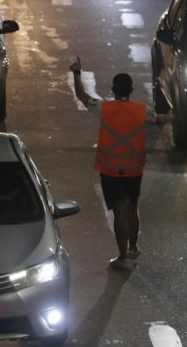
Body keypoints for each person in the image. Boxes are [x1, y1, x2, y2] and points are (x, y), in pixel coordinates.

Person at [70, 56, 164, 270]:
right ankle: (133, 247)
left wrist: (77, 73)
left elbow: (82, 95)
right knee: (132, 208)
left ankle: (122, 257)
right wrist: (177, 117)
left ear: (113, 89)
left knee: (119, 212)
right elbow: (159, 119)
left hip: (110, 169)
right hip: (133, 170)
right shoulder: (142, 111)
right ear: (131, 90)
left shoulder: (103, 108)